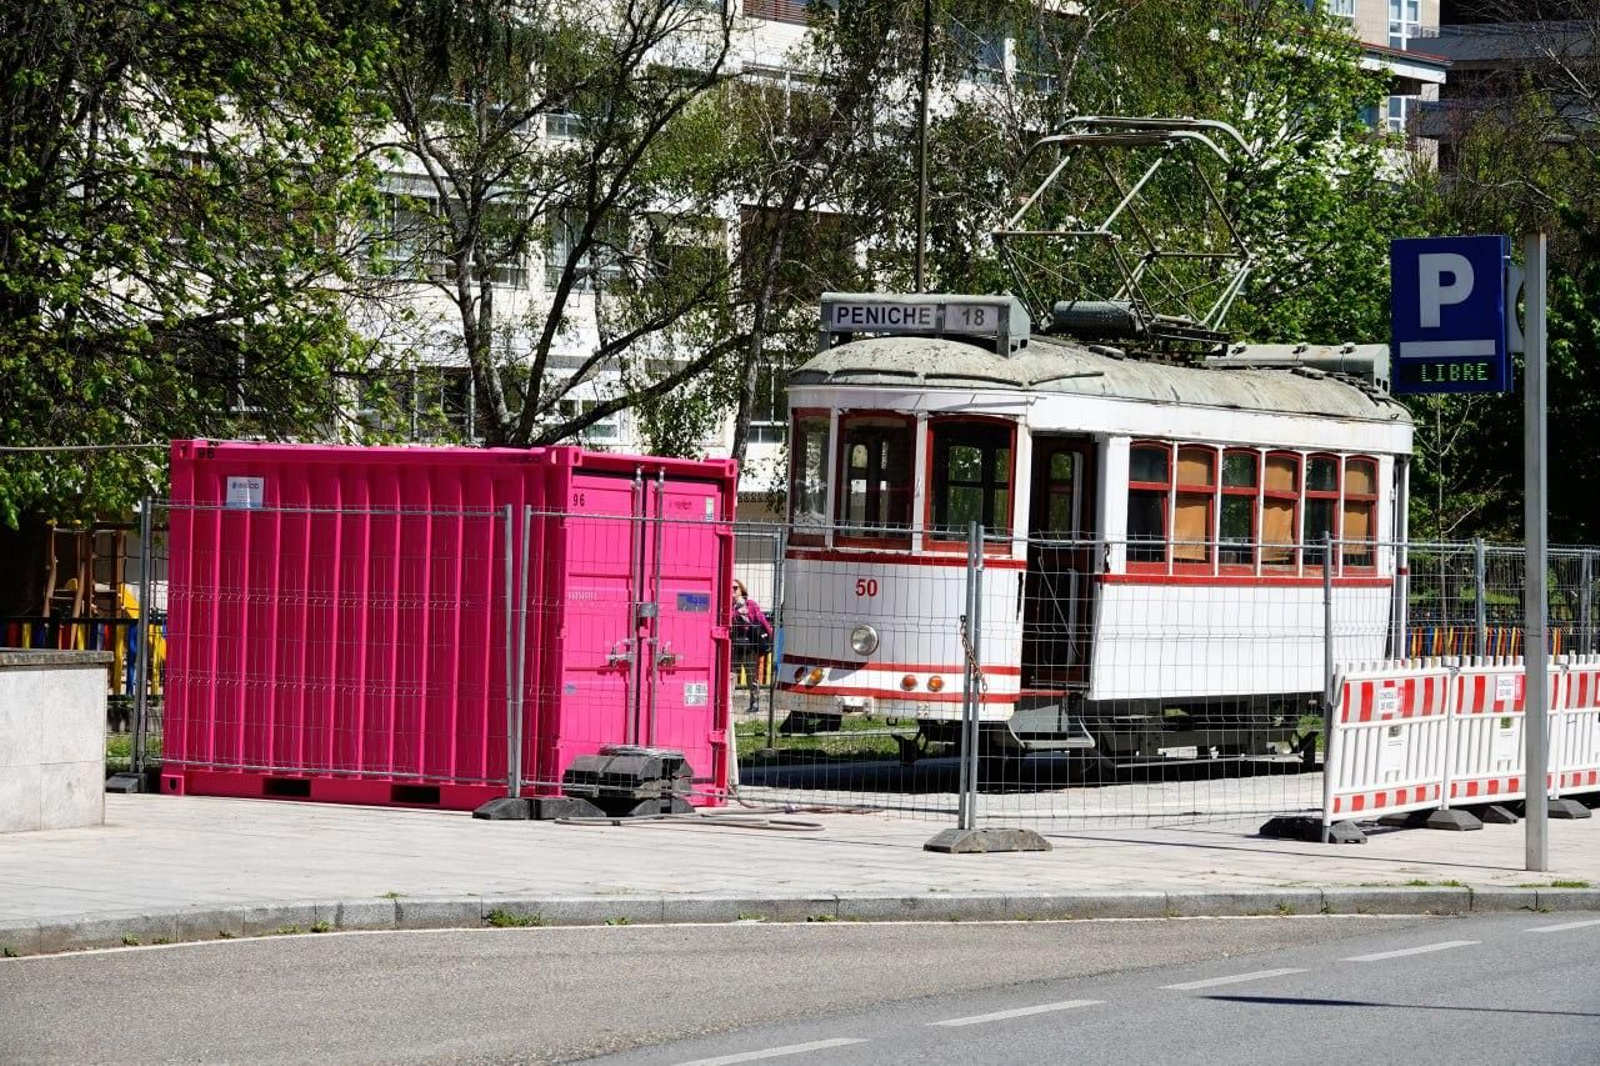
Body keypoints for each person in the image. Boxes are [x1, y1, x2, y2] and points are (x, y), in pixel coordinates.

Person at [731, 579, 773, 681]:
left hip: (749, 645)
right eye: (730, 587)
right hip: (732, 646)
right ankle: (728, 697)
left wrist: (770, 637)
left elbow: (763, 621)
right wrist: (736, 613)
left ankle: (755, 697)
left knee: (752, 677)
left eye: (735, 588)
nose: (732, 590)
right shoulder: (726, 606)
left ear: (742, 590)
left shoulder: (750, 605)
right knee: (730, 675)